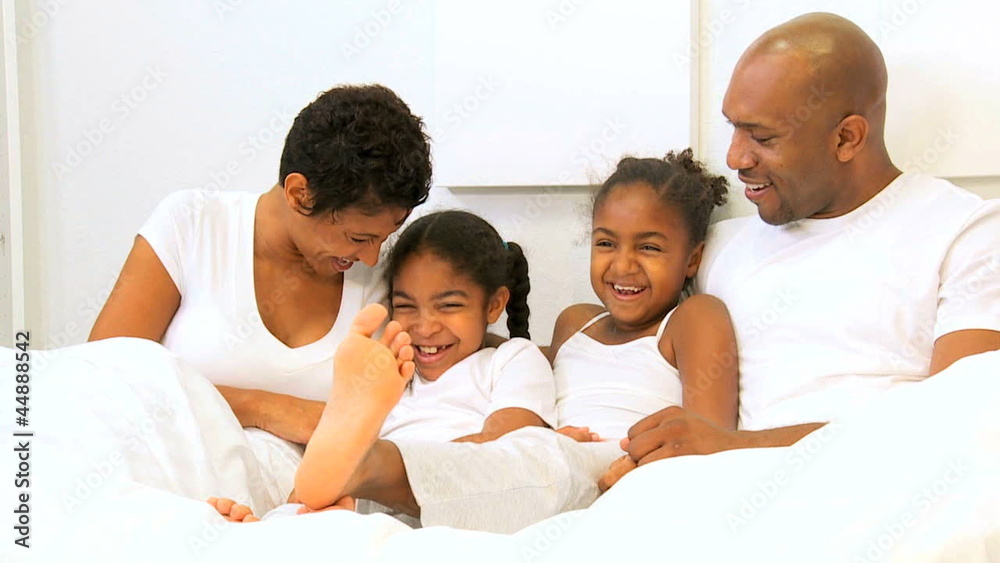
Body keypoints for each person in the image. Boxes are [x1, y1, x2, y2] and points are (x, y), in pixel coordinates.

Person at [603, 12, 1000, 487]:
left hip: (886, 503)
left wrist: (733, 448)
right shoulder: (721, 249)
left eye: (763, 137)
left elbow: (965, 424)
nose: (735, 159)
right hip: (722, 503)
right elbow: (621, 347)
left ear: (847, 137)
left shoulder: (967, 231)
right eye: (733, 128)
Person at [87, 84, 433, 503]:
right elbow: (103, 380)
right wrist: (267, 408)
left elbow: (450, 358)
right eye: (358, 237)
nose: (371, 255)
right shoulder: (193, 226)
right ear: (299, 194)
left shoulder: (381, 275)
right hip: (170, 489)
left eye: (385, 236)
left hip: (302, 513)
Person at [209, 210, 557, 521]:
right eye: (405, 306)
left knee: (350, 476)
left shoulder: (512, 359)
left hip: (445, 498)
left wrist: (386, 473)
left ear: (494, 305)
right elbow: (333, 446)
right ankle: (273, 530)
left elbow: (506, 444)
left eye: (448, 306)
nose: (425, 326)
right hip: (364, 499)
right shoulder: (391, 372)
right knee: (321, 495)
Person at [547, 150, 738, 488]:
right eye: (606, 243)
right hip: (553, 471)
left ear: (692, 260)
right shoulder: (574, 323)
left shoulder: (691, 321)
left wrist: (637, 475)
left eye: (648, 248)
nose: (622, 267)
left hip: (639, 484)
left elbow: (709, 444)